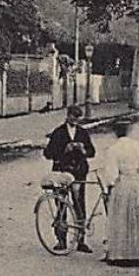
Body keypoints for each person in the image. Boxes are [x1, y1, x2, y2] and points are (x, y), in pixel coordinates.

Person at [100, 120, 139, 271]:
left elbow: (111, 175)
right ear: (128, 131)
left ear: (115, 132)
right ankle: (137, 253)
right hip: (136, 183)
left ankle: (120, 254)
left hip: (122, 184)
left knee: (120, 217)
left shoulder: (113, 149)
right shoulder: (138, 147)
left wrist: (110, 184)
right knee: (136, 218)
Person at [43, 106, 96, 253]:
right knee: (61, 205)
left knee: (79, 205)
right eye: (73, 116)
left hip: (79, 172)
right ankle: (61, 240)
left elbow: (92, 151)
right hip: (62, 172)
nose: (75, 119)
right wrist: (64, 150)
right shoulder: (58, 132)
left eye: (78, 117)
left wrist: (83, 150)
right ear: (67, 116)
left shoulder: (82, 133)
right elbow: (48, 153)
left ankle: (81, 240)